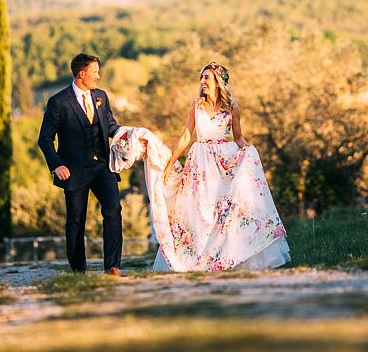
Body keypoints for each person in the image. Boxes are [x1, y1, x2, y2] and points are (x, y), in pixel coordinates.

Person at [111, 61, 290, 272]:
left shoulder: (232, 107)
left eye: (207, 77)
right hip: (201, 165)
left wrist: (250, 153)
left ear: (218, 82)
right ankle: (201, 259)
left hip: (226, 164)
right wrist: (169, 165)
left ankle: (229, 257)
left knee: (226, 213)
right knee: (201, 214)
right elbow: (186, 135)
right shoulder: (196, 105)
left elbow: (239, 138)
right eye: (201, 77)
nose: (202, 81)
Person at [37, 53, 123, 275]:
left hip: (103, 167)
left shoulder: (101, 97)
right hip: (74, 171)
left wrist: (132, 135)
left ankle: (112, 266)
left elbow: (111, 127)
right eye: (95, 72)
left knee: (113, 210)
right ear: (81, 73)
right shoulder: (58, 102)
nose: (99, 76)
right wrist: (57, 165)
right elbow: (45, 139)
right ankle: (78, 270)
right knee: (76, 221)